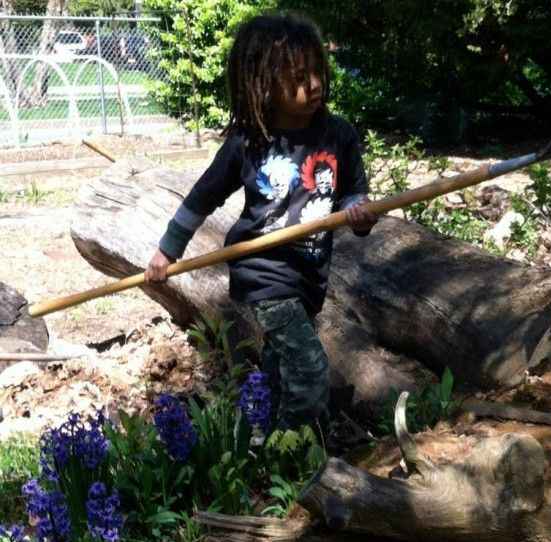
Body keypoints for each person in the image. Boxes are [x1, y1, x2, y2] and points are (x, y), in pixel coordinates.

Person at [145, 11, 378, 442]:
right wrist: (166, 252)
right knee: (308, 373)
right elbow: (201, 198)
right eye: (299, 77)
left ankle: (251, 439)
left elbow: (353, 197)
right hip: (265, 273)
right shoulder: (248, 142)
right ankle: (290, 457)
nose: (314, 86)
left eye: (317, 73)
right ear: (264, 85)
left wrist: (361, 213)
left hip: (310, 275)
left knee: (276, 370)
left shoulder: (338, 135)